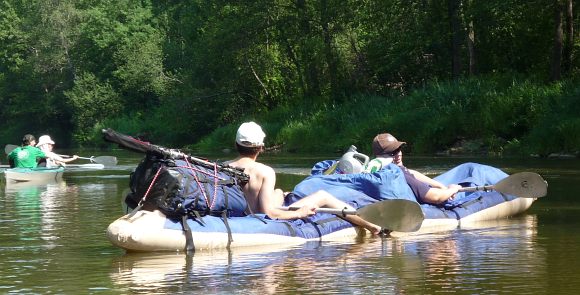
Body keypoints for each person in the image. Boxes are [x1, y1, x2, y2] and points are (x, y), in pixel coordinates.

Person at [226, 122, 382, 234]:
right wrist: (300, 213)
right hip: (260, 219)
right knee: (322, 196)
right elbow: (269, 213)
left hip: (242, 213)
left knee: (280, 192)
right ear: (260, 147)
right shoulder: (264, 171)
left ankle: (282, 194)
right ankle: (372, 226)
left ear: (236, 144)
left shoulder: (223, 166)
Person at [366, 133, 462, 204]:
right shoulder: (397, 174)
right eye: (393, 152)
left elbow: (410, 172)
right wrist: (453, 189)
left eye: (399, 149)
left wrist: (440, 186)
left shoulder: (375, 170)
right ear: (383, 157)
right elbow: (436, 197)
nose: (398, 154)